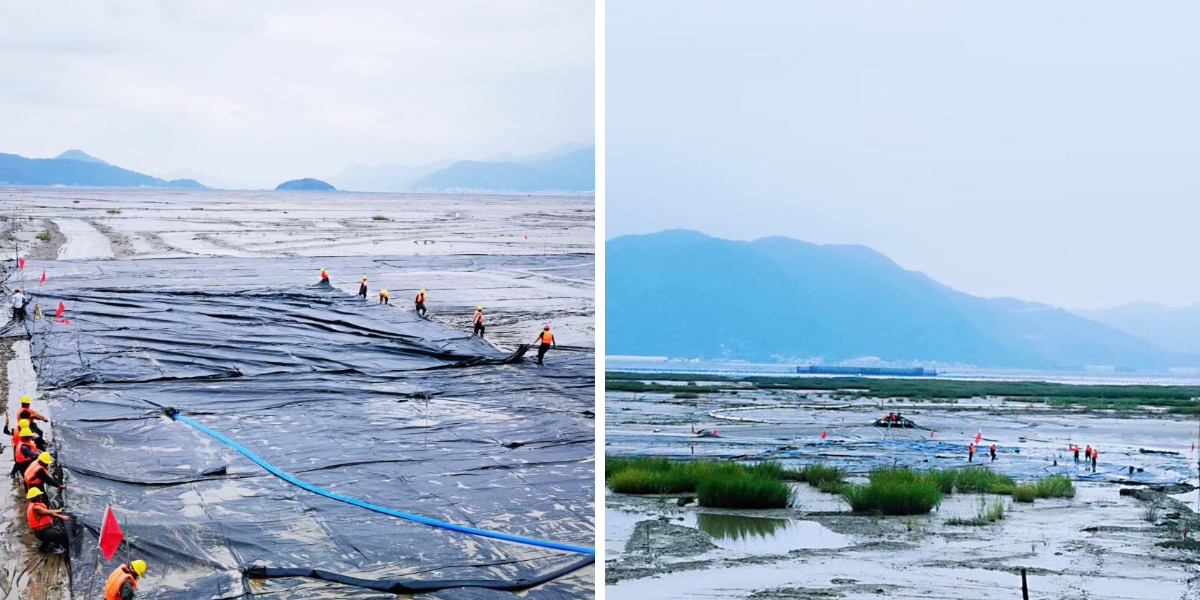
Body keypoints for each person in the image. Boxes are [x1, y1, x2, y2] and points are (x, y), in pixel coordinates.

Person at [26, 488, 69, 553]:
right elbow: (48, 512)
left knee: (52, 534)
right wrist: (59, 512)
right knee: (60, 535)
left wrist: (60, 515)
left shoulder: (35, 504)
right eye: (40, 495)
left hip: (43, 530)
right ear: (36, 497)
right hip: (42, 533)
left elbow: (49, 514)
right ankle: (67, 550)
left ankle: (43, 547)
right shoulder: (36, 507)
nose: (41, 496)